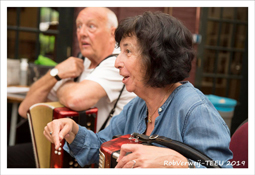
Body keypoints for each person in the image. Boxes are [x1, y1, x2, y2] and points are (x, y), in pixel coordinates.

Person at [43, 11, 233, 168]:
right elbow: (101, 146)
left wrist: (176, 163)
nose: (117, 62)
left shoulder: (194, 109)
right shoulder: (137, 107)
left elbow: (221, 168)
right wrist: (73, 130)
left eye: (127, 51)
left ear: (156, 57)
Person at [7, 7, 136, 168]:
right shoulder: (82, 60)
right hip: (72, 147)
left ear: (113, 33)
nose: (82, 33)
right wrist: (55, 73)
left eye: (91, 26)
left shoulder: (117, 63)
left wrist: (61, 82)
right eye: (78, 26)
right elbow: (25, 109)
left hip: (100, 155)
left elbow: (75, 99)